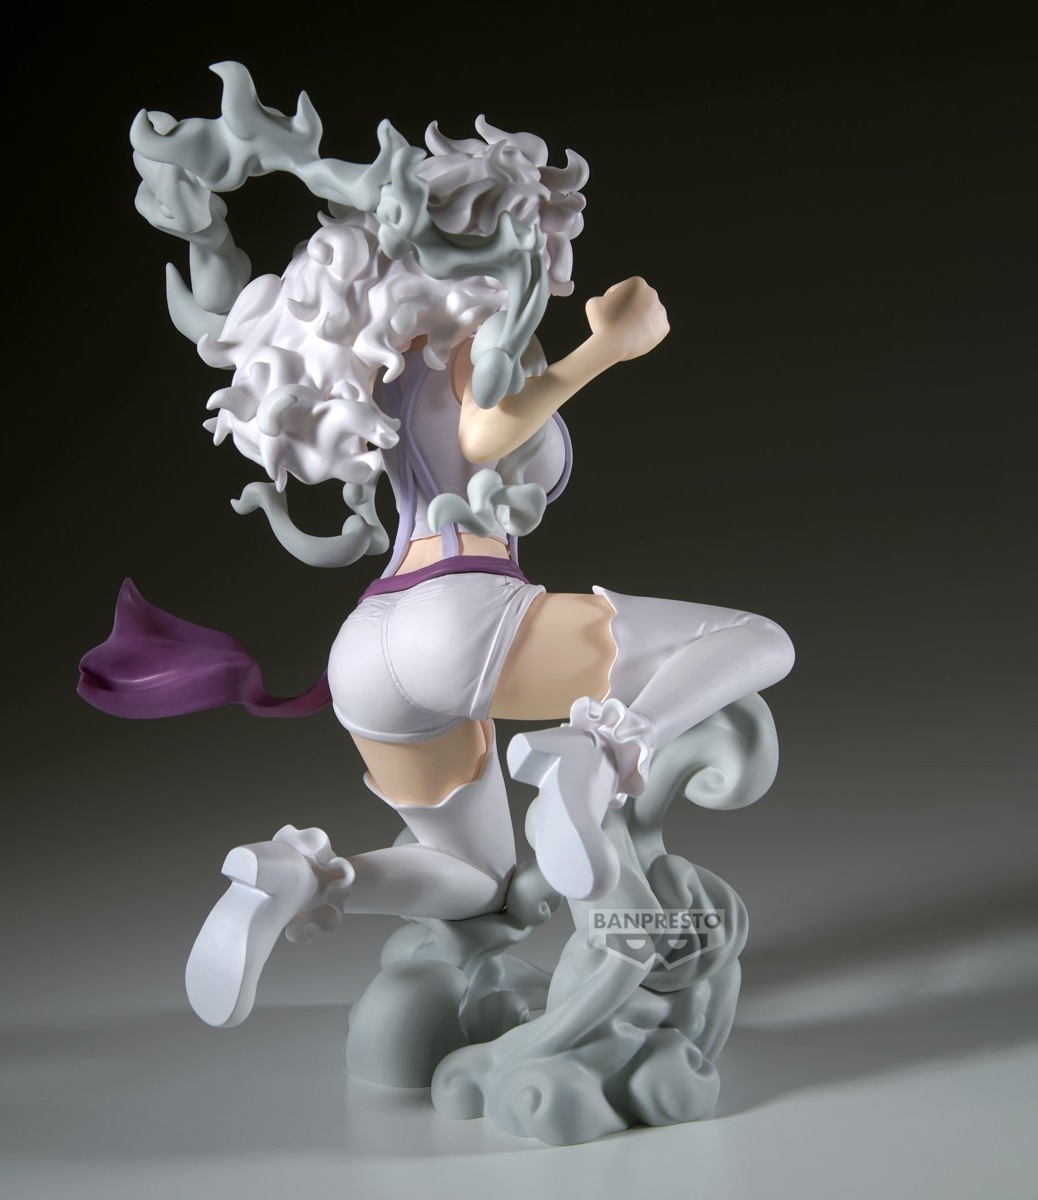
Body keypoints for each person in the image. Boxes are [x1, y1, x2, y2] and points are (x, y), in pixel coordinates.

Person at [78, 67, 794, 1030]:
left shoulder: (379, 352)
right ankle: (598, 751)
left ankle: (305, 876)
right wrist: (605, 350)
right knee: (756, 641)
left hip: (370, 646)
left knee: (476, 877)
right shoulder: (476, 325)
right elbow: (485, 433)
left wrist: (207, 237)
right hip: (463, 612)